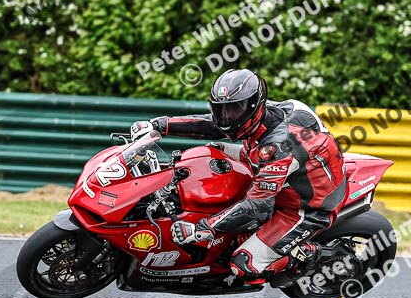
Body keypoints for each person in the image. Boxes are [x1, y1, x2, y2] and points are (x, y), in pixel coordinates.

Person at [130, 69, 348, 281]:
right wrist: (159, 125)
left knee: (244, 264)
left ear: (254, 106)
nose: (226, 117)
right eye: (221, 109)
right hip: (272, 165)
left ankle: (307, 253)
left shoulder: (280, 148)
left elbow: (258, 207)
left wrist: (201, 229)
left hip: (305, 207)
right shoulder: (264, 113)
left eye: (234, 110)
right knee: (211, 150)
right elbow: (212, 125)